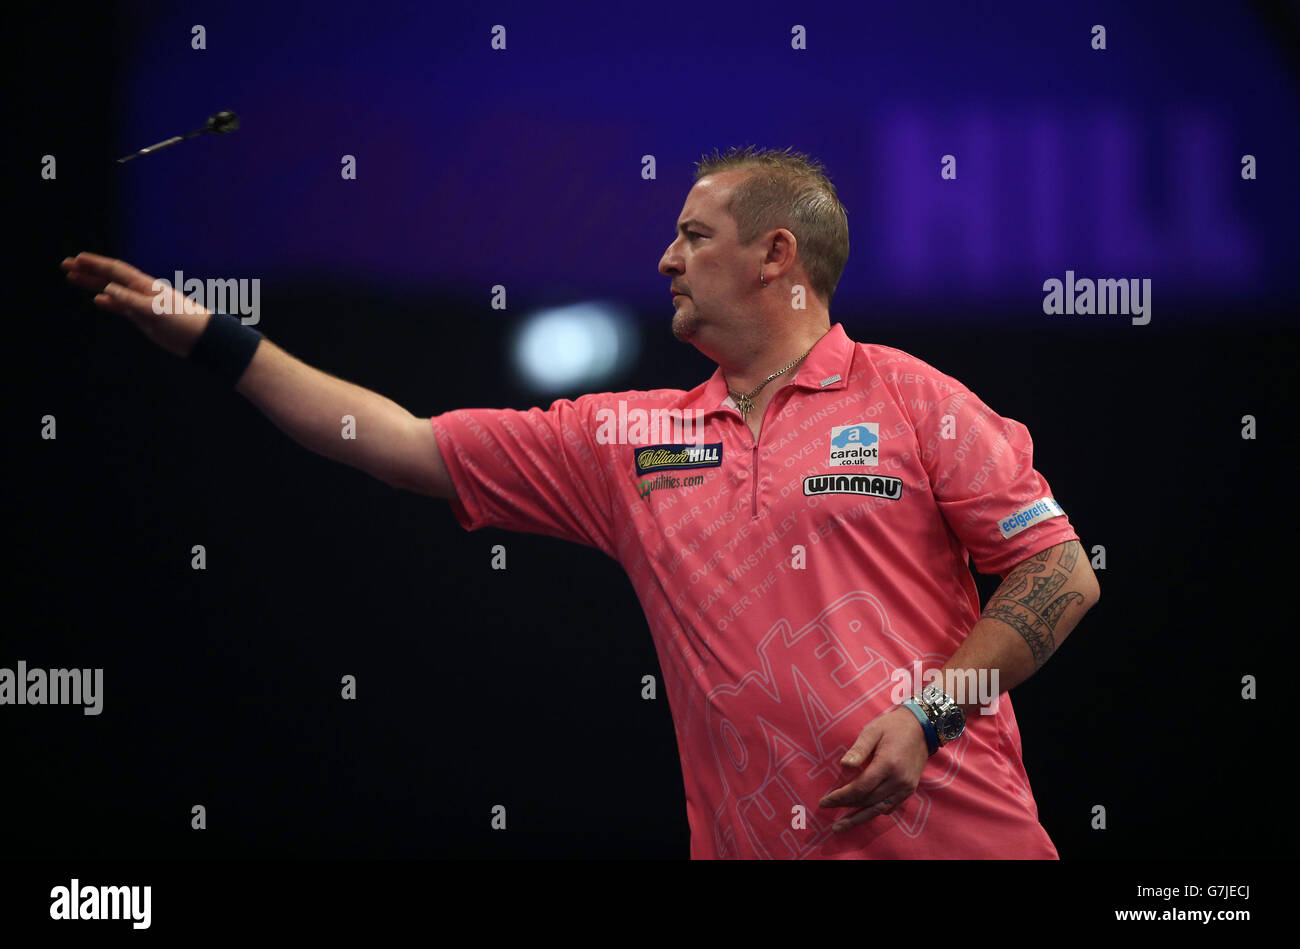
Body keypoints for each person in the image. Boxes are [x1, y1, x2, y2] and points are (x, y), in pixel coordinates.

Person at [62, 144, 1099, 859]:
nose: (664, 259)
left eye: (694, 235)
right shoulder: (628, 439)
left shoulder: (914, 398)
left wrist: (928, 710)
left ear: (776, 255)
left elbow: (1058, 569)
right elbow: (399, 442)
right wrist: (212, 337)